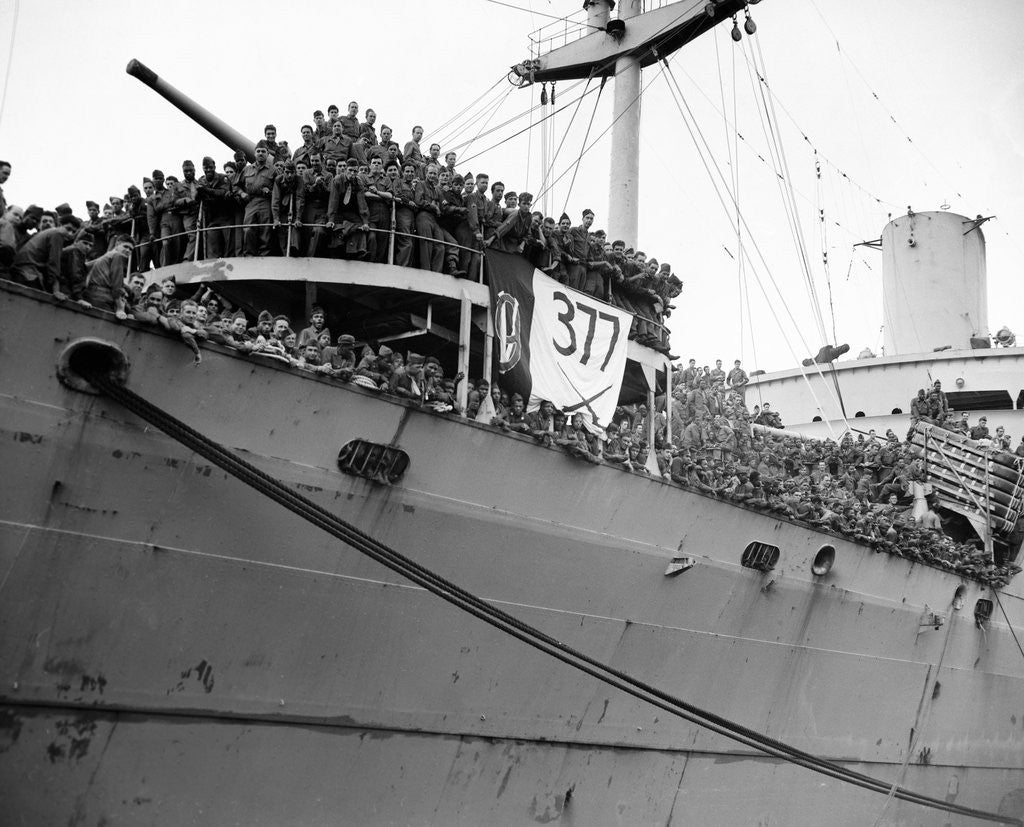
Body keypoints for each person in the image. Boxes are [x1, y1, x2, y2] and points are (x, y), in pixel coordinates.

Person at [326, 159, 371, 258]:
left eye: (355, 171)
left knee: (360, 225)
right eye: (350, 170)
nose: (352, 173)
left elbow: (362, 203)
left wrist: (365, 222)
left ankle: (359, 250)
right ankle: (337, 246)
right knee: (334, 225)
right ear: (345, 169)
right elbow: (333, 201)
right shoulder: (337, 180)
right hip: (338, 211)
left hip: (350, 212)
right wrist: (331, 219)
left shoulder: (358, 182)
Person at [238, 141, 276, 256]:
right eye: (258, 151)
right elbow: (236, 186)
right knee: (248, 229)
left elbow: (279, 190)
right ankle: (249, 255)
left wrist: (270, 192)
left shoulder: (273, 170)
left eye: (263, 151)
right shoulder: (247, 169)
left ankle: (265, 256)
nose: (260, 153)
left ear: (267, 154)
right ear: (254, 153)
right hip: (251, 202)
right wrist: (241, 193)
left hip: (266, 202)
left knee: (265, 230)